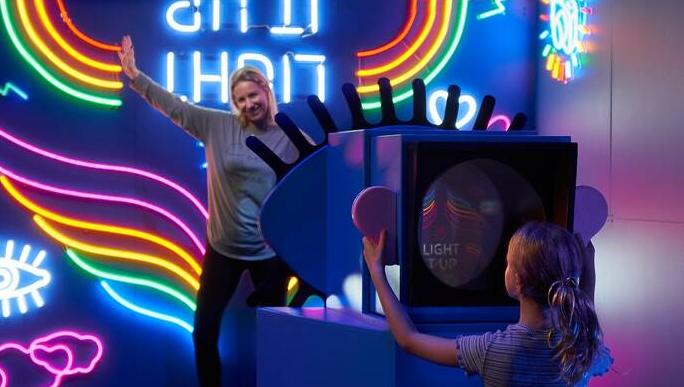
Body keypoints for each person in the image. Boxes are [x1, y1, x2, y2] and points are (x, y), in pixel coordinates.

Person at [118, 35, 314, 386]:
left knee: (278, 338)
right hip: (223, 249)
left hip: (270, 252)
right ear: (233, 103)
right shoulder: (217, 126)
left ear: (267, 91)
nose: (248, 103)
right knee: (203, 332)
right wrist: (135, 76)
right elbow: (175, 107)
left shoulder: (290, 135)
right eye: (240, 99)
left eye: (253, 95)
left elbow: (319, 176)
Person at [363, 222, 612, 386]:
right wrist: (588, 271)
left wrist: (377, 271)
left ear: (517, 281)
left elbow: (409, 340)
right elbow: (584, 318)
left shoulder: (493, 350)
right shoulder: (583, 348)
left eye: (508, 263)